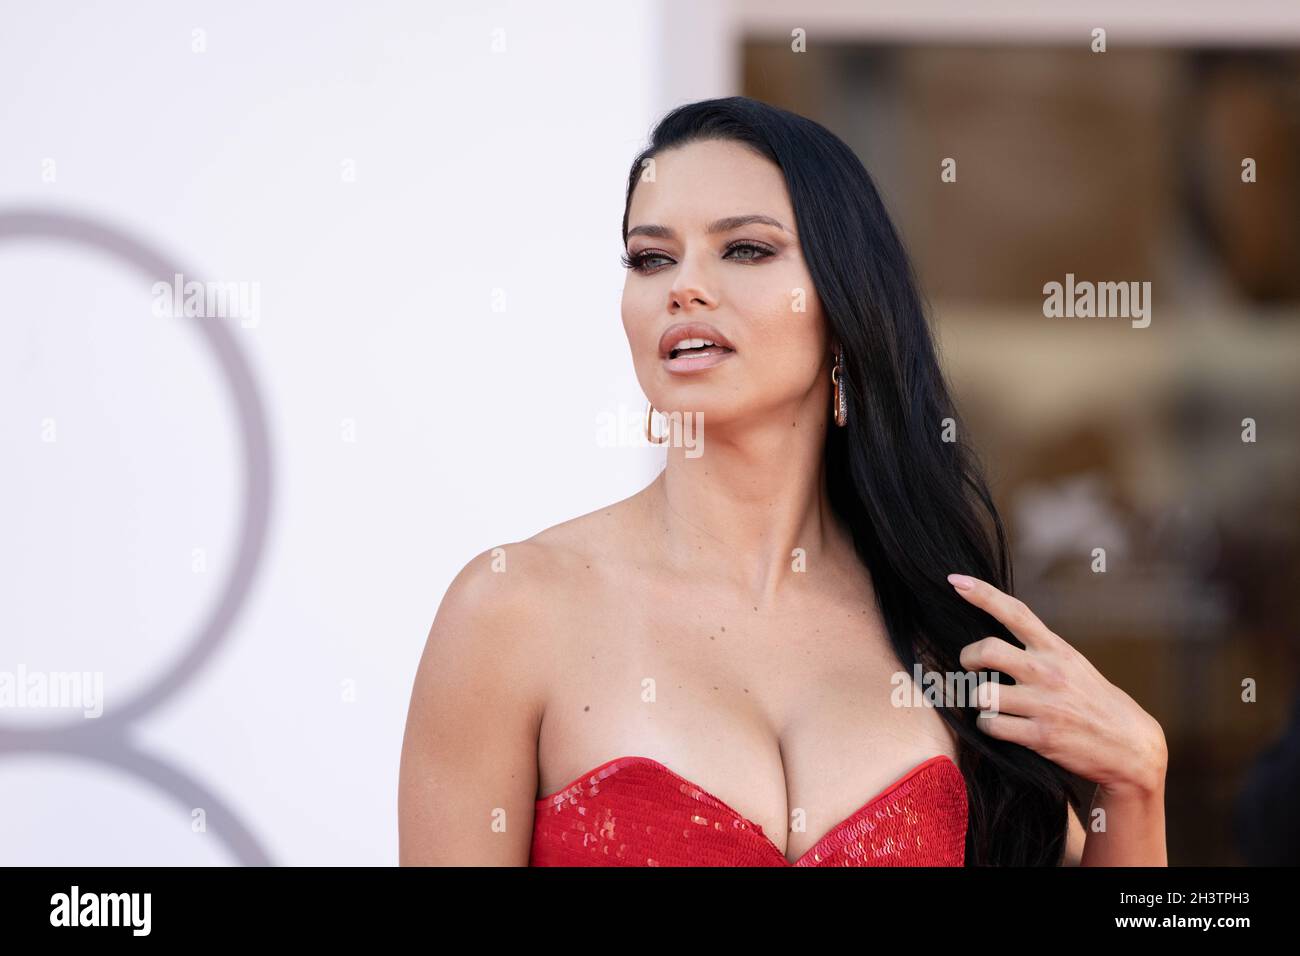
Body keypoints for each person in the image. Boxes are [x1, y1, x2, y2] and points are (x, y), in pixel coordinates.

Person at [398, 96, 1168, 866]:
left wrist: (1135, 786)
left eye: (745, 250)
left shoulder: (940, 632)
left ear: (842, 303)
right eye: (651, 258)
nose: (684, 287)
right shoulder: (512, 609)